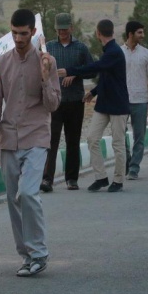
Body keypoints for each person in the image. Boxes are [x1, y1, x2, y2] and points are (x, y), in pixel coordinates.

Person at [0, 9, 60, 277]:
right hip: (8, 140)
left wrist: (44, 76)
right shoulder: (1, 64)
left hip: (37, 136)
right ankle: (27, 256)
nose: (19, 38)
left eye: (24, 33)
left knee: (28, 193)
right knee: (12, 198)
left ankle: (39, 252)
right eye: (15, 33)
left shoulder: (46, 61)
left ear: (32, 32)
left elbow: (52, 105)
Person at [62, 19, 130, 193]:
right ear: (112, 32)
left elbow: (96, 67)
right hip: (104, 103)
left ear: (98, 33)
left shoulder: (113, 52)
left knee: (118, 144)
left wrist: (70, 70)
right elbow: (107, 77)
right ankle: (101, 177)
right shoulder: (110, 51)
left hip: (118, 105)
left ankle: (118, 180)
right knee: (92, 138)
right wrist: (93, 92)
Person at [41, 12, 94, 192]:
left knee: (73, 141)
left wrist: (75, 73)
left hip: (74, 101)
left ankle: (72, 179)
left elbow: (91, 70)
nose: (62, 32)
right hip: (54, 102)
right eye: (59, 29)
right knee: (51, 141)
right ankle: (47, 179)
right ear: (55, 29)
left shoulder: (81, 48)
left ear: (71, 28)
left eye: (65, 29)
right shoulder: (48, 48)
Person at [121, 20, 148, 181]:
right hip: (121, 100)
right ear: (130, 34)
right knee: (119, 135)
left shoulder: (147, 54)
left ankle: (134, 168)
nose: (142, 35)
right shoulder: (118, 52)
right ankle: (127, 160)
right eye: (139, 33)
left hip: (141, 100)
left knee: (139, 135)